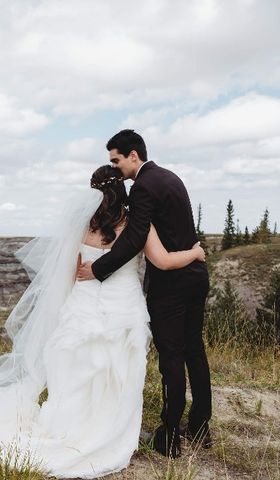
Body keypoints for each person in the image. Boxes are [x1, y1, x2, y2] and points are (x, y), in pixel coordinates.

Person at [0, 164, 205, 478]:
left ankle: (72, 425)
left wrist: (72, 306)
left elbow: (70, 274)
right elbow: (165, 262)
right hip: (123, 311)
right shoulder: (139, 225)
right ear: (122, 191)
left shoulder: (84, 226)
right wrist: (194, 254)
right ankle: (113, 431)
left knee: (78, 369)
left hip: (84, 305)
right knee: (120, 371)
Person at [78, 130, 212, 458]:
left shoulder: (141, 188)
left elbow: (135, 237)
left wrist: (97, 269)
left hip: (171, 287)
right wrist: (194, 254)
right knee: (195, 352)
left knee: (172, 357)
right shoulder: (170, 178)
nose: (116, 166)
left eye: (116, 159)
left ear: (133, 155)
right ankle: (199, 428)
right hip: (196, 278)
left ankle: (169, 438)